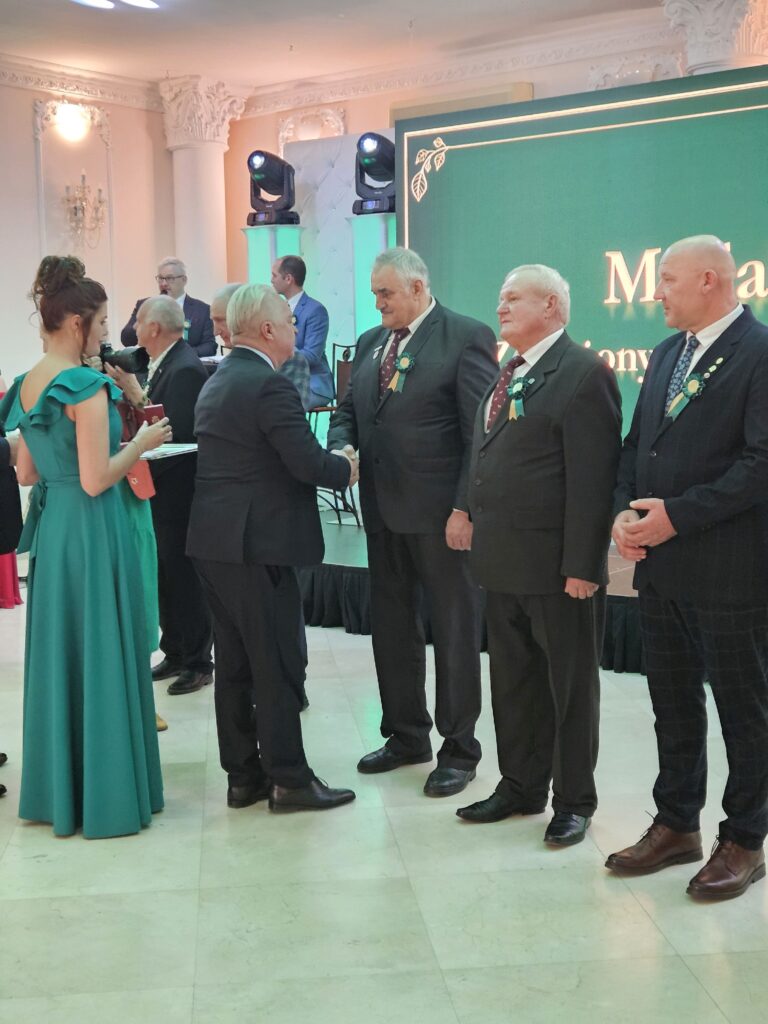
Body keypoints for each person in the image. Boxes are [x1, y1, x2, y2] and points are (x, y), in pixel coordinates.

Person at [608, 235, 768, 899]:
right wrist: (623, 512)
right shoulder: (666, 353)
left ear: (710, 280)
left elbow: (760, 464)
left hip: (731, 572)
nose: (657, 293)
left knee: (744, 711)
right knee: (671, 706)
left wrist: (676, 515)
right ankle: (677, 824)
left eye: (668, 280)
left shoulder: (760, 352)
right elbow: (636, 445)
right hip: (663, 571)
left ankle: (746, 839)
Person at [0, 255, 171, 838]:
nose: (103, 336)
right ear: (76, 323)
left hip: (55, 531)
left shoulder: (27, 384)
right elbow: (98, 479)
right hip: (95, 529)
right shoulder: (85, 385)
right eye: (99, 324)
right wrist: (142, 443)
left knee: (63, 652)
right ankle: (107, 794)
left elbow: (26, 474)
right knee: (101, 647)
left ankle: (59, 793)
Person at [456, 265, 621, 846]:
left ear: (550, 305)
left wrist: (583, 565)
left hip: (557, 570)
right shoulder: (510, 370)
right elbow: (484, 452)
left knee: (570, 690)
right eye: (500, 298)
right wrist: (465, 510)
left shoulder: (583, 372)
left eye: (512, 298)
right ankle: (520, 786)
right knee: (513, 683)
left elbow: (594, 480)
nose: (500, 307)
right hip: (502, 563)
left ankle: (573, 800)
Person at [327, 247, 498, 797]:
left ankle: (459, 749)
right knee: (392, 628)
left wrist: (464, 508)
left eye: (386, 293)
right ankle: (405, 735)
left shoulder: (465, 337)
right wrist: (342, 448)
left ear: (419, 287)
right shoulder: (371, 343)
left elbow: (479, 435)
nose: (378, 304)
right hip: (382, 512)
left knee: (453, 631)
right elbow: (347, 411)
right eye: (375, 294)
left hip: (441, 518)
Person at [187, 283, 357, 812]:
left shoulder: (218, 379)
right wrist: (346, 466)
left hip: (214, 541)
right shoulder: (269, 384)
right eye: (288, 321)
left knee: (235, 665)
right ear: (266, 330)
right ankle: (289, 779)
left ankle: (243, 777)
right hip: (258, 546)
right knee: (275, 664)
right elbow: (306, 462)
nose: (294, 329)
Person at [118, 296, 213, 695]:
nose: (134, 329)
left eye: (138, 321)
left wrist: (136, 398)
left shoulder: (185, 367)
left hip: (178, 489)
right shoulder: (163, 362)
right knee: (165, 573)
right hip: (160, 488)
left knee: (183, 576)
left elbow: (178, 432)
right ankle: (174, 649)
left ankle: (198, 660)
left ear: (154, 327)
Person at [211, 282, 312, 411]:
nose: (215, 332)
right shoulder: (229, 364)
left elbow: (290, 416)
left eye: (221, 320)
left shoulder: (289, 358)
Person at [271, 256, 334, 408]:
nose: (271, 280)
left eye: (274, 275)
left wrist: (280, 350)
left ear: (288, 279)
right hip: (285, 380)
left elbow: (312, 356)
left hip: (312, 383)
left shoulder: (315, 310)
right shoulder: (275, 309)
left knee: (279, 404)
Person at [121, 257, 216, 357]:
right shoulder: (144, 305)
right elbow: (126, 340)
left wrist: (182, 355)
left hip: (185, 364)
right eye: (161, 278)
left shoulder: (202, 310)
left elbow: (210, 346)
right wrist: (145, 319)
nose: (164, 283)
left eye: (170, 278)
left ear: (184, 280)